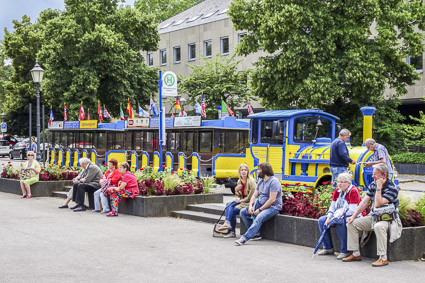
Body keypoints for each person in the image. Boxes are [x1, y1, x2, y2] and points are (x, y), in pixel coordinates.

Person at [343, 163, 400, 267]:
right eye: (373, 174)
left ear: (384, 175)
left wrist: (379, 187)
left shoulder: (392, 188)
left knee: (379, 226)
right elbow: (364, 202)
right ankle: (356, 254)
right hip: (374, 216)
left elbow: (378, 203)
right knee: (352, 224)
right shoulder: (372, 185)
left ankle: (383, 258)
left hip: (388, 219)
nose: (373, 176)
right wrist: (353, 216)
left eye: (376, 174)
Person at [235, 162, 282, 246]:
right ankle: (256, 234)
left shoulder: (274, 182)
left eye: (259, 169)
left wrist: (260, 210)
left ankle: (244, 238)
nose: (257, 171)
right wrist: (250, 207)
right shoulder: (261, 181)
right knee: (243, 212)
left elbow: (272, 199)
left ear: (264, 171)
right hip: (260, 204)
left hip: (273, 207)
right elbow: (254, 196)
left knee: (259, 217)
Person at [317, 173, 361, 259]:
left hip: (352, 215)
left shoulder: (353, 191)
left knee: (340, 222)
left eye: (342, 182)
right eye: (338, 182)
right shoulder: (338, 190)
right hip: (337, 214)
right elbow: (332, 206)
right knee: (322, 221)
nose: (339, 184)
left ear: (348, 183)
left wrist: (336, 218)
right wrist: (329, 217)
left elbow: (352, 210)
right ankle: (328, 247)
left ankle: (345, 250)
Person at [217, 164, 257, 238]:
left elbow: (251, 197)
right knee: (229, 204)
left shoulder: (251, 181)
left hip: (250, 203)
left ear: (248, 171)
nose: (244, 171)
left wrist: (240, 201)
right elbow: (240, 195)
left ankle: (230, 229)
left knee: (232, 209)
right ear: (239, 172)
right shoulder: (239, 181)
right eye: (242, 170)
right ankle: (228, 225)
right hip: (243, 202)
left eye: (245, 170)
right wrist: (236, 190)